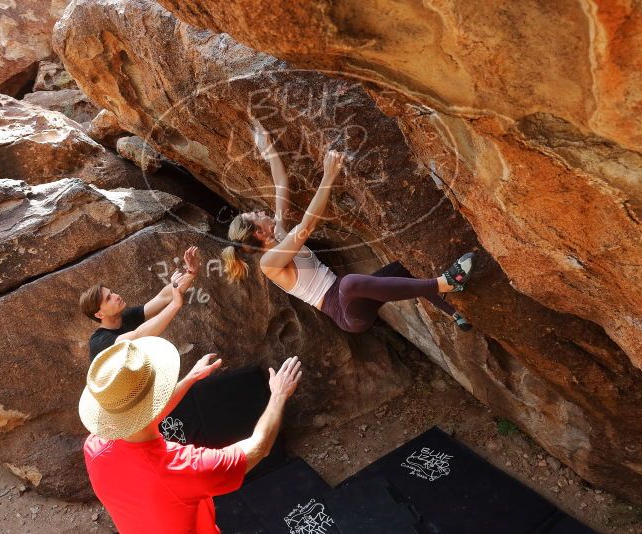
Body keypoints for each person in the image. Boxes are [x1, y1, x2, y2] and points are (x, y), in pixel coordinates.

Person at [221, 125, 476, 334]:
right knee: (350, 283)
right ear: (258, 233)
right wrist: (328, 176)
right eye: (255, 215)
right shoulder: (269, 263)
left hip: (354, 294)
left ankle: (453, 312)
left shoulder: (277, 234)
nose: (260, 211)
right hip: (346, 313)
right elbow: (307, 226)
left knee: (404, 267)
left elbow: (281, 185)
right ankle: (446, 283)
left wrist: (268, 149)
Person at [79, 337, 302, 534]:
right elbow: (259, 447)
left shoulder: (94, 447)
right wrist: (278, 395)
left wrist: (189, 379)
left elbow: (142, 419)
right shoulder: (183, 468)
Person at [79, 246, 200, 361]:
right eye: (108, 298)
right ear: (99, 314)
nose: (116, 296)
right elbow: (137, 336)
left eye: (112, 293)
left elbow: (163, 298)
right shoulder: (99, 342)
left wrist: (190, 273)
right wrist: (175, 304)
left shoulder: (126, 317)